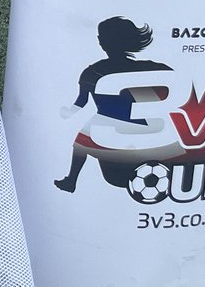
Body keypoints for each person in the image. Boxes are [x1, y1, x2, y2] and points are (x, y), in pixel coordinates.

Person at [54, 16, 173, 193]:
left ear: (102, 41)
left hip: (106, 126)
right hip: (141, 126)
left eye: (100, 36)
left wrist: (68, 112)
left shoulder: (92, 71)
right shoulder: (148, 67)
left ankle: (71, 180)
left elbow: (82, 101)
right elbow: (175, 81)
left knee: (81, 143)